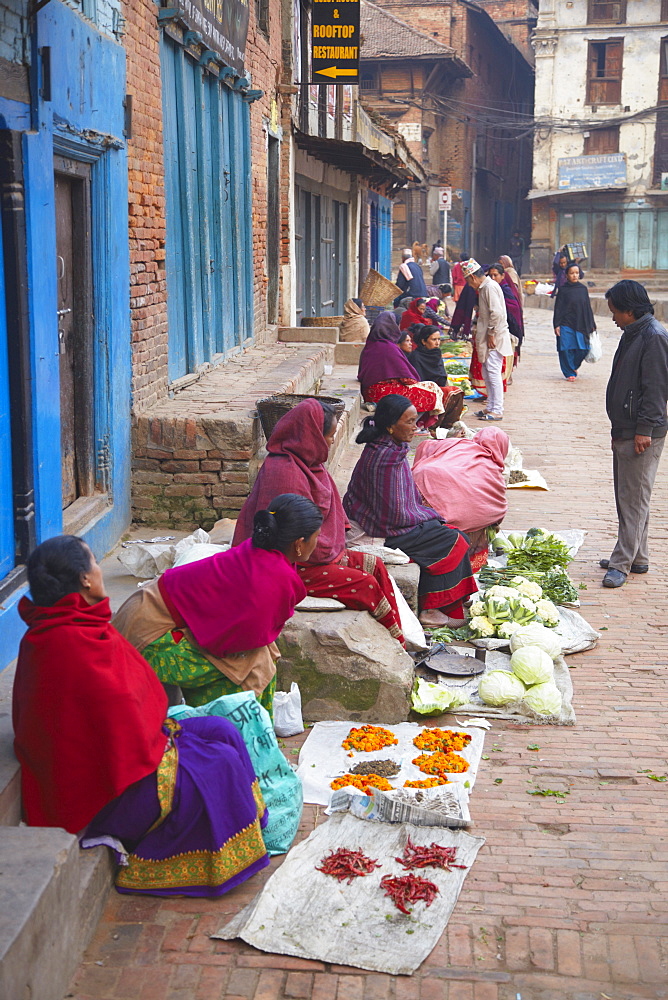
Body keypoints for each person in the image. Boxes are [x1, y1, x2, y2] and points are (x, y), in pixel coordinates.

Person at [13, 535, 271, 897]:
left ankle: (247, 828)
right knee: (221, 763)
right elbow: (117, 726)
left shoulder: (75, 625)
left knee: (222, 731)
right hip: (109, 792)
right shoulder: (65, 641)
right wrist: (166, 743)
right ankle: (216, 854)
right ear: (85, 580)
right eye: (95, 563)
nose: (100, 570)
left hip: (138, 750)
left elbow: (130, 714)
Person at [113, 493, 322, 716]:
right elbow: (238, 640)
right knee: (253, 665)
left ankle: (248, 738)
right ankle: (238, 738)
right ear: (299, 544)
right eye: (317, 536)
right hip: (147, 635)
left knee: (258, 658)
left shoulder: (260, 552)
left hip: (149, 614)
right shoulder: (273, 576)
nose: (319, 542)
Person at [233, 398, 404, 643]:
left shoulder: (311, 465)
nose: (333, 441)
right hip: (289, 563)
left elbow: (327, 524)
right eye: (330, 436)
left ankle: (400, 640)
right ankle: (394, 645)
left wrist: (333, 550)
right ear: (311, 435)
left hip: (314, 552)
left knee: (374, 565)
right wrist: (330, 554)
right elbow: (289, 543)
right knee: (365, 584)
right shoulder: (283, 472)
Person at [343, 394, 477, 628]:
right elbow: (393, 515)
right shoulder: (383, 458)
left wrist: (428, 516)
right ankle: (431, 610)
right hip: (379, 529)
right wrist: (428, 515)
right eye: (409, 422)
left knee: (449, 531)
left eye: (416, 421)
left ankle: (442, 604)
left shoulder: (392, 447)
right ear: (390, 426)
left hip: (390, 523)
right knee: (452, 540)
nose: (415, 428)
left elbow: (404, 501)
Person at [600, 280, 668, 588]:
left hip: (641, 432)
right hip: (626, 428)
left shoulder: (653, 337)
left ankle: (621, 563)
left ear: (630, 309)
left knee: (633, 498)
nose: (612, 316)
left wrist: (644, 430)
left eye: (615, 311)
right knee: (632, 496)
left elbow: (656, 389)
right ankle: (638, 556)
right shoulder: (635, 333)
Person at [412, 427, 510, 571]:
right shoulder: (492, 469)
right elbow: (497, 507)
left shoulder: (460, 444)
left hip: (421, 486)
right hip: (443, 508)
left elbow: (425, 445)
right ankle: (466, 564)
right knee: (480, 521)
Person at [357, 312, 449, 428]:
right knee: (430, 393)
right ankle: (412, 425)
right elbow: (407, 378)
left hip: (369, 392)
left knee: (429, 387)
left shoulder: (370, 344)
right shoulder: (389, 347)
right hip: (381, 393)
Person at [462, 259, 513, 421]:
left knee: (493, 372)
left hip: (494, 336)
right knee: (488, 372)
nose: (470, 285)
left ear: (473, 277)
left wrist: (491, 333)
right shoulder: (485, 287)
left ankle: (497, 409)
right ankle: (490, 406)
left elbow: (496, 313)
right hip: (487, 335)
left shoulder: (489, 287)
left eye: (469, 281)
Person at [552, 261, 596, 381]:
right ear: (566, 275)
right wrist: (557, 325)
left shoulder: (583, 289)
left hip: (581, 323)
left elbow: (587, 307)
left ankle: (574, 366)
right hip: (566, 323)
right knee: (565, 348)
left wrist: (592, 324)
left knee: (583, 349)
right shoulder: (563, 290)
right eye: (572, 273)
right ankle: (569, 372)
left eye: (577, 273)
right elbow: (558, 308)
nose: (574, 275)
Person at [487, 262, 524, 360]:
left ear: (502, 276)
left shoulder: (505, 289)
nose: (493, 278)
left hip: (508, 326)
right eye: (490, 275)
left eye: (496, 275)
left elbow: (513, 308)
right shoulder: (491, 289)